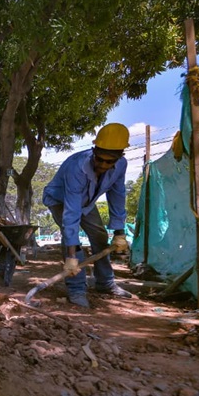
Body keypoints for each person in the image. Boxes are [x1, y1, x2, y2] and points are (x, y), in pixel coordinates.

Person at [42, 122, 133, 309]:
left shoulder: (121, 165)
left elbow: (117, 195)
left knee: (100, 236)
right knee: (73, 244)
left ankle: (105, 283)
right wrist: (71, 257)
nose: (103, 165)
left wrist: (119, 231)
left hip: (87, 203)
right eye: (100, 159)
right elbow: (71, 215)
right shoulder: (77, 167)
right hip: (60, 200)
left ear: (120, 157)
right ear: (94, 151)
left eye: (110, 162)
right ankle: (76, 289)